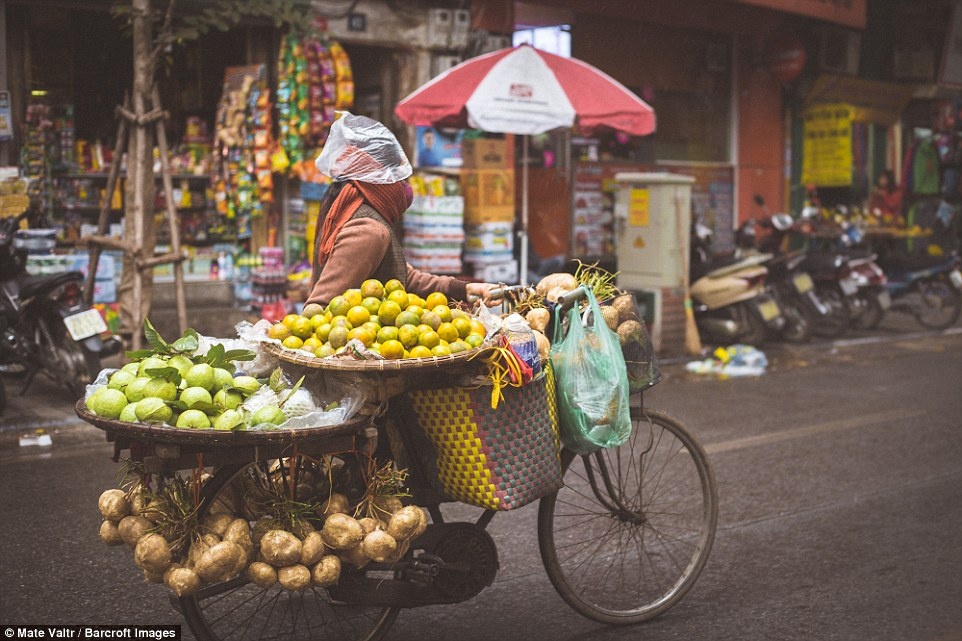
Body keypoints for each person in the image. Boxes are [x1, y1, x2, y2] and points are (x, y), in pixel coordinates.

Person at [304, 113, 498, 310]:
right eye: (397, 174)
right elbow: (319, 307)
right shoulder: (367, 231)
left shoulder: (354, 211)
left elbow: (404, 276)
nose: (404, 185)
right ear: (378, 176)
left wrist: (464, 289)